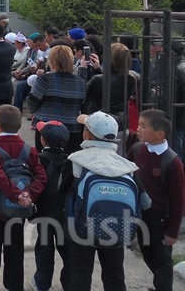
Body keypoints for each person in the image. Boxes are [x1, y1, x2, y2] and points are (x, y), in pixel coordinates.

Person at [66, 111, 138, 291]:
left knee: (80, 275)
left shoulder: (77, 160)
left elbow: (63, 190)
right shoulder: (125, 166)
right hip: (117, 228)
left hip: (82, 228)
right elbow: (143, 199)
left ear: (88, 135)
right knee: (115, 275)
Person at [0, 105, 47, 291]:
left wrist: (14, 194)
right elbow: (41, 176)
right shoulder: (29, 150)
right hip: (19, 208)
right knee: (15, 246)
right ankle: (14, 284)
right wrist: (28, 195)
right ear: (19, 125)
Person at [132, 109, 185, 291]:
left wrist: (172, 232)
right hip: (141, 214)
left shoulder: (172, 162)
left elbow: (179, 201)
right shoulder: (137, 149)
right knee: (147, 254)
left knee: (162, 261)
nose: (138, 129)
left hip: (160, 219)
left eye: (143, 126)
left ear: (159, 134)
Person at [30, 121, 72, 291]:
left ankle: (41, 282)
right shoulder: (71, 161)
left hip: (44, 212)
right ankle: (69, 283)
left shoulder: (38, 160)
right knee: (68, 251)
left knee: (44, 249)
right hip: (65, 213)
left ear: (43, 140)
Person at [26, 45, 87, 154]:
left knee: (44, 160)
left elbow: (32, 102)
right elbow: (82, 103)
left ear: (52, 61)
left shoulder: (46, 79)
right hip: (72, 129)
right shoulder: (80, 82)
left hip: (46, 128)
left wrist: (35, 111)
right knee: (70, 161)